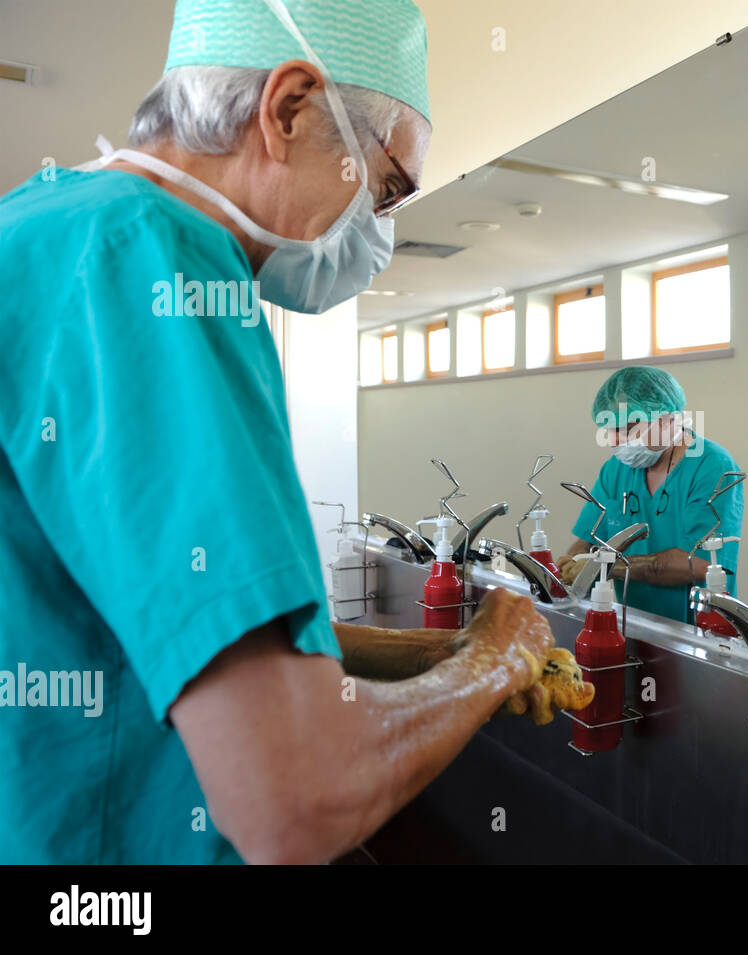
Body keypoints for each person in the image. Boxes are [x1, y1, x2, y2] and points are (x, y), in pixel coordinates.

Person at [0, 0, 552, 864]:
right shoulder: (159, 263)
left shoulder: (46, 226)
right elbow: (296, 799)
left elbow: (170, 626)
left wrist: (446, 648)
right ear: (289, 108)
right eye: (387, 186)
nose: (377, 230)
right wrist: (493, 663)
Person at [555, 366, 744, 623]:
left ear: (668, 419)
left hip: (701, 631)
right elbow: (589, 540)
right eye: (609, 429)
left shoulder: (712, 466)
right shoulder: (616, 471)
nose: (614, 441)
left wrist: (608, 567)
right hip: (633, 624)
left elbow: (701, 564)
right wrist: (567, 568)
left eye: (629, 428)